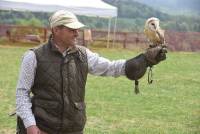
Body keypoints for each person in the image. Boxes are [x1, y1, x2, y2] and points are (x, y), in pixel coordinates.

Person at [16, 10, 167, 134]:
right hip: (43, 129)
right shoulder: (33, 56)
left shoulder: (83, 54)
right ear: (56, 30)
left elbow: (111, 67)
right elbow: (22, 93)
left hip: (73, 129)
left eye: (77, 29)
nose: (76, 33)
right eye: (71, 29)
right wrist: (30, 125)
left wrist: (143, 60)